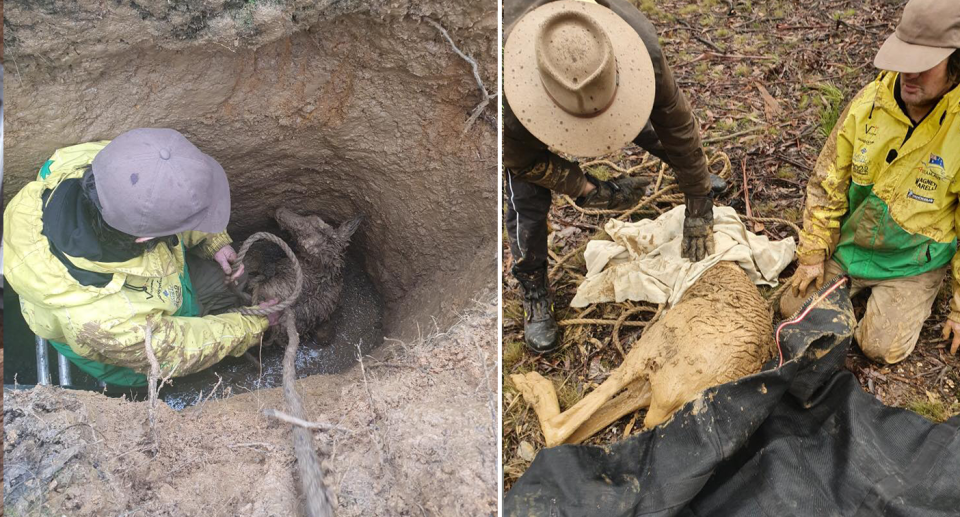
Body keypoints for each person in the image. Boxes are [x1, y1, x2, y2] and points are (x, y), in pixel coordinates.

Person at [503, 0, 720, 353]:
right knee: (526, 197)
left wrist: (699, 196)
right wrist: (589, 189)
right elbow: (522, 163)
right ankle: (533, 286)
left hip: (612, 73)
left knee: (643, 122)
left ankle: (696, 176)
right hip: (527, 102)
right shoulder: (509, 97)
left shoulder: (639, 45)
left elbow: (675, 124)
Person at [3, 128, 279, 388]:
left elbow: (156, 195)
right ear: (144, 240)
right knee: (196, 351)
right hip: (131, 357)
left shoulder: (86, 163)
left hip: (155, 289)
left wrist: (212, 241)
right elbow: (181, 350)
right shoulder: (104, 321)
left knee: (236, 277)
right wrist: (255, 325)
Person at [781, 0, 960, 363]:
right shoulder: (868, 106)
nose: (909, 74)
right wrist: (814, 253)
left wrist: (959, 308)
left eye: (923, 65)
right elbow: (826, 182)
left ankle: (914, 295)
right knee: (790, 308)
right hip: (852, 247)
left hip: (912, 261)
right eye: (904, 59)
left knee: (882, 348)